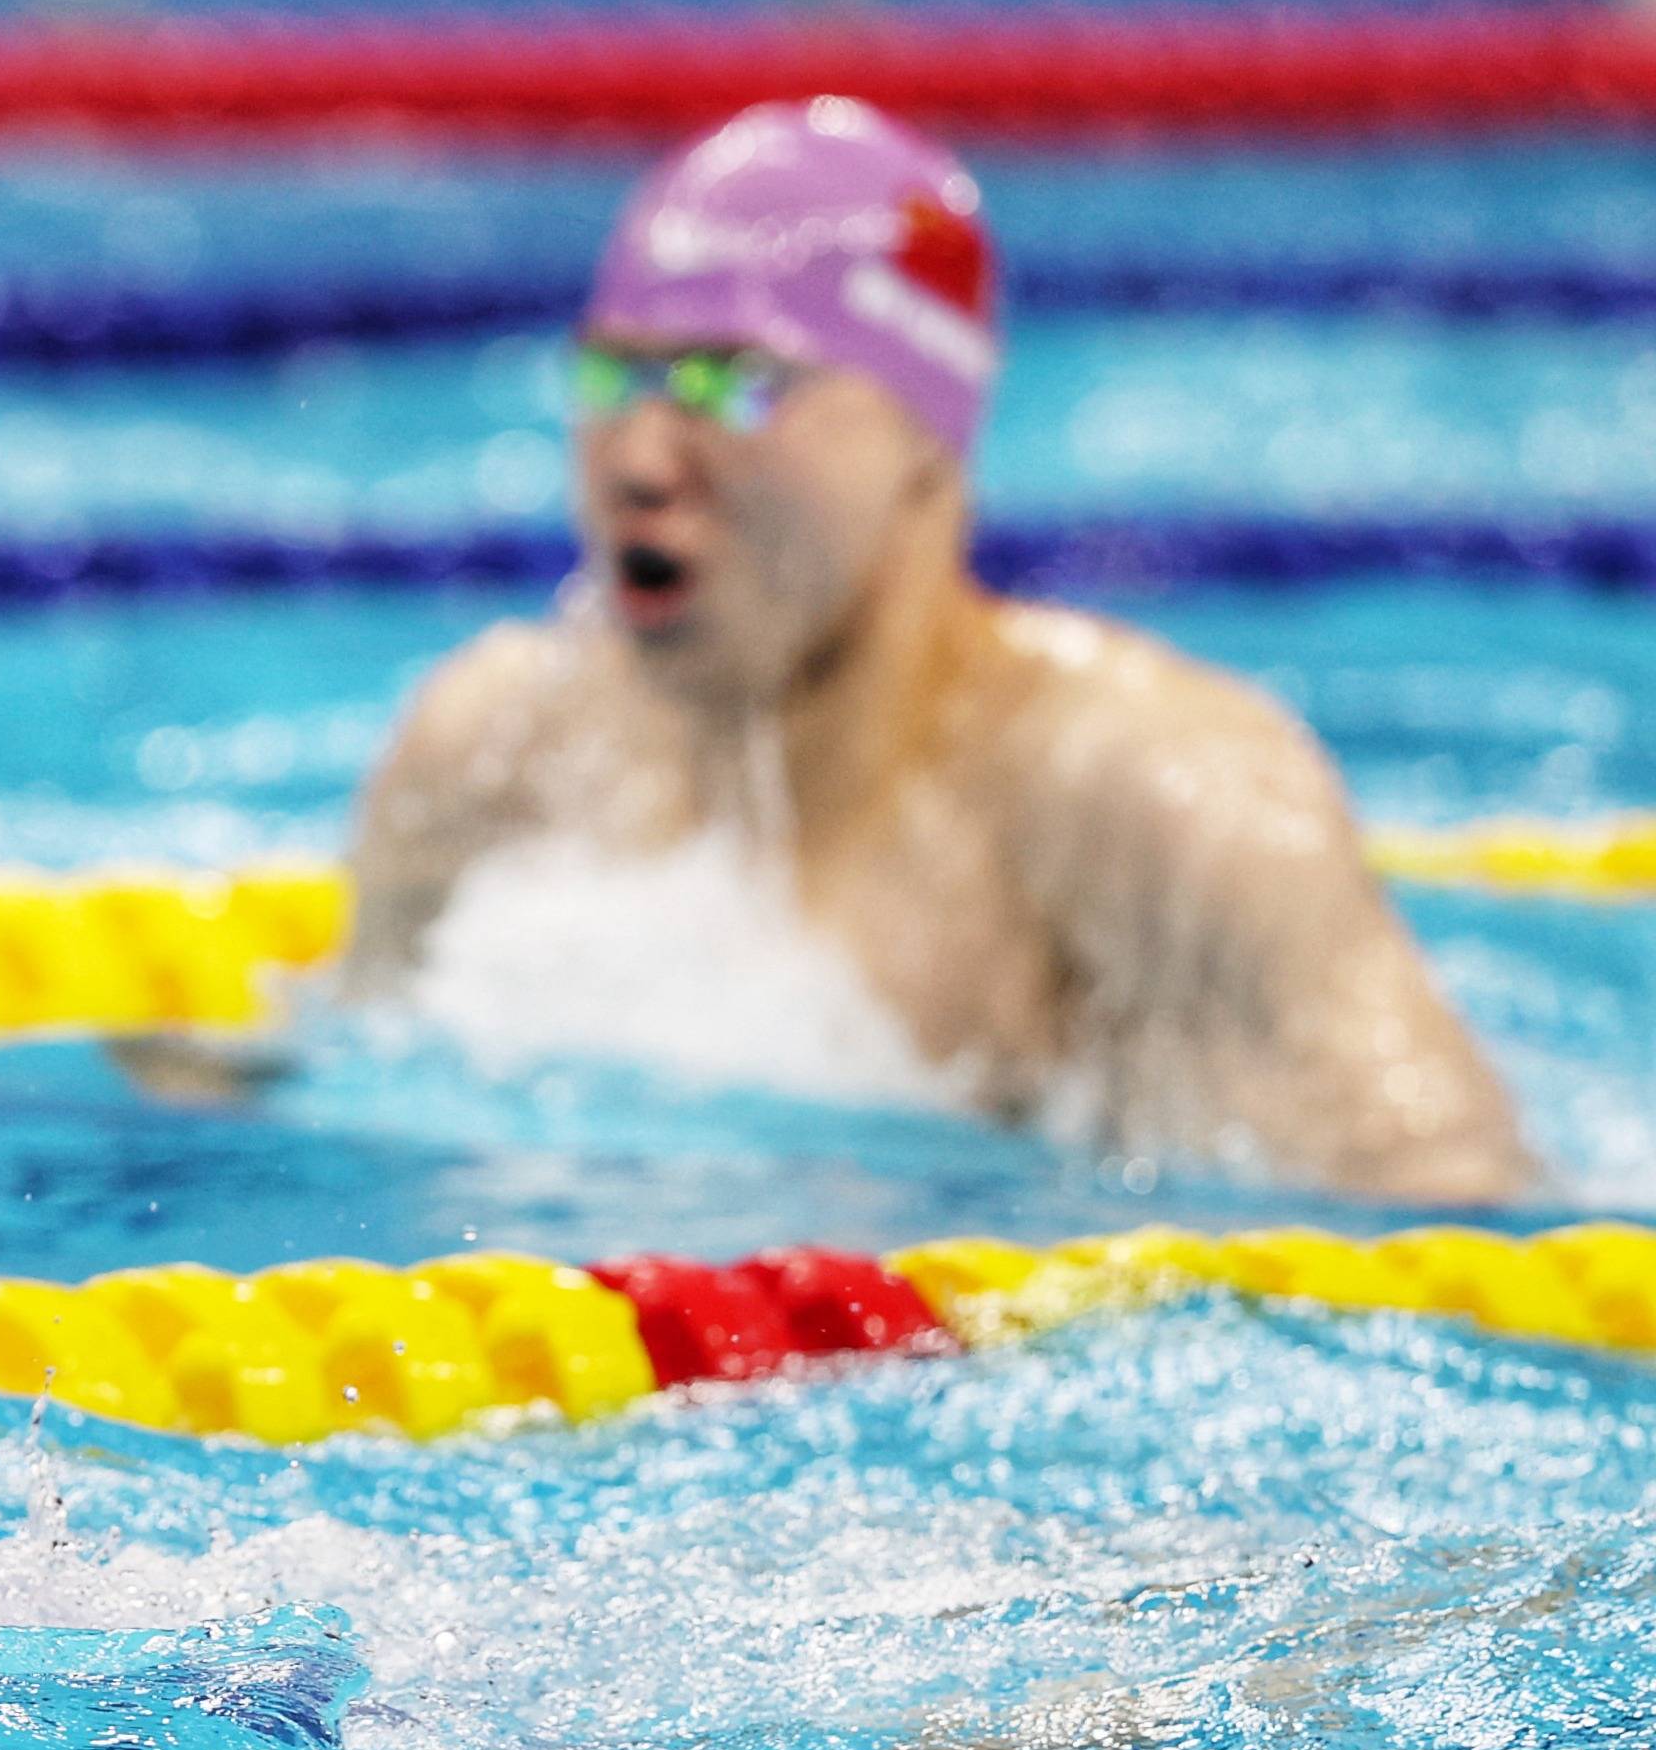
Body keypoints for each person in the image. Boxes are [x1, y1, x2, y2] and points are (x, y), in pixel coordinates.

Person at [332, 96, 1533, 1203]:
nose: (641, 458)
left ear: (923, 429)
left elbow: (1447, 1224)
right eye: (615, 374)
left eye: (729, 384)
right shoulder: (495, 754)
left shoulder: (1155, 802)